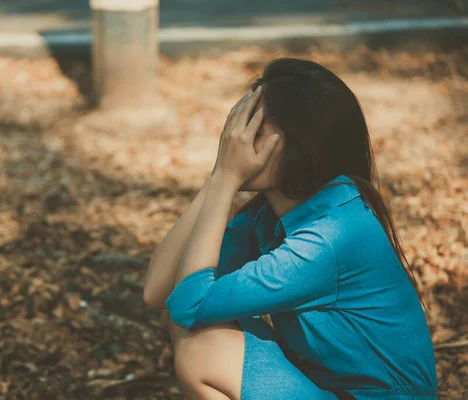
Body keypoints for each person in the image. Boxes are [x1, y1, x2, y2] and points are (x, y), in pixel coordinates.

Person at [142, 58, 438, 400]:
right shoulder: (271, 216)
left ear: (298, 145)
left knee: (202, 346)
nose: (236, 140)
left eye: (255, 127)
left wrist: (226, 179)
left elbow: (190, 304)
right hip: (330, 391)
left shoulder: (331, 236)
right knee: (192, 328)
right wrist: (218, 177)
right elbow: (160, 292)